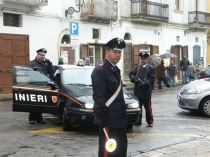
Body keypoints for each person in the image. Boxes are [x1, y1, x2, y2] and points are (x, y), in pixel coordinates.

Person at [91, 38, 127, 157]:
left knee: (120, 151)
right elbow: (98, 98)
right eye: (115, 52)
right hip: (109, 121)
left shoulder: (115, 69)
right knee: (108, 153)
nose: (118, 55)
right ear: (107, 52)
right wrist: (102, 120)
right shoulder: (100, 70)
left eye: (120, 52)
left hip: (119, 120)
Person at [28, 48, 54, 124]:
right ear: (37, 55)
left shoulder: (45, 64)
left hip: (43, 85)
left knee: (41, 102)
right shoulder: (32, 63)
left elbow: (52, 72)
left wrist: (50, 64)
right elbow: (27, 74)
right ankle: (32, 118)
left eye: (44, 55)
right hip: (34, 85)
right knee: (34, 102)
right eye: (41, 55)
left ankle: (39, 118)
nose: (42, 57)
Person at [129, 52, 156, 127]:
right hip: (138, 91)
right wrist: (134, 79)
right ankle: (138, 121)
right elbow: (131, 74)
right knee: (138, 107)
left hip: (146, 91)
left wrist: (145, 83)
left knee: (148, 107)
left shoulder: (151, 68)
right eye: (141, 59)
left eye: (144, 59)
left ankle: (150, 121)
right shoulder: (137, 67)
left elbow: (152, 78)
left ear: (147, 59)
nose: (142, 60)